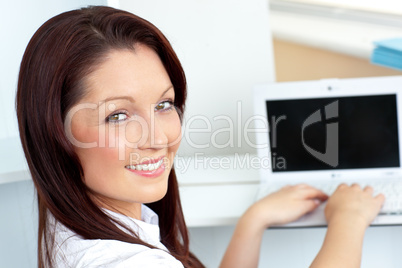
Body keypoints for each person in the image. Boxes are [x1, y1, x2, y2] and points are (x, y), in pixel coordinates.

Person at [16, 6, 384, 268]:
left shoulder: (73, 221)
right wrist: (348, 221)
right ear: (54, 132)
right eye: (118, 115)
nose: (158, 138)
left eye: (164, 105)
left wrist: (252, 223)